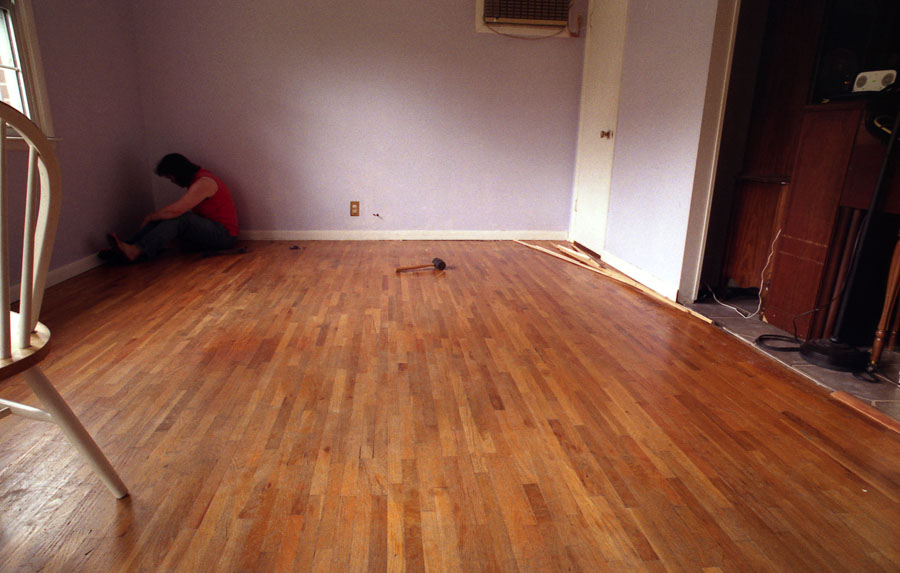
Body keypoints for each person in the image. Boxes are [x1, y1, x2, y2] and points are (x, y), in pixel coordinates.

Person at [105, 153, 239, 262]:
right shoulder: (197, 180)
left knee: (181, 217)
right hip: (211, 232)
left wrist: (150, 217)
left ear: (179, 172)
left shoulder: (204, 182)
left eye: (171, 177)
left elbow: (177, 210)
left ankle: (136, 250)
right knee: (165, 217)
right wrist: (155, 218)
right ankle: (128, 245)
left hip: (224, 236)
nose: (172, 181)